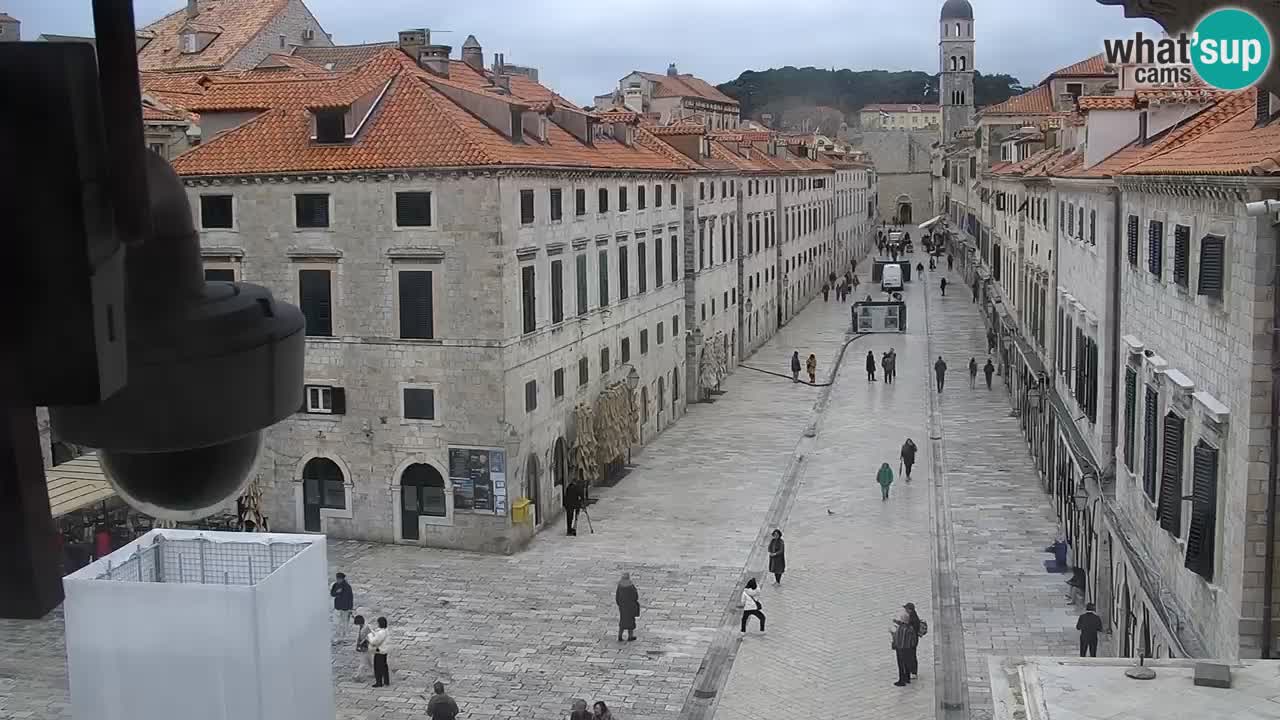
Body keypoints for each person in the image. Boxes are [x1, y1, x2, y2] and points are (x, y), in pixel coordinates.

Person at [891, 607, 918, 686]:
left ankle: (901, 680)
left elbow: (896, 638)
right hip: (908, 649)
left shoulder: (900, 629)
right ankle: (907, 678)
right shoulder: (910, 628)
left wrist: (893, 634)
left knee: (901, 664)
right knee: (907, 664)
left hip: (900, 649)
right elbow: (913, 640)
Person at [904, 602, 928, 678]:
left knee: (912, 655)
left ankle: (914, 672)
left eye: (906, 609)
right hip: (913, 639)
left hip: (912, 640)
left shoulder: (913, 619)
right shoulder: (913, 616)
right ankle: (912, 670)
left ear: (910, 610)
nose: (905, 610)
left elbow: (911, 629)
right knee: (911, 655)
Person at [616, 573, 640, 641]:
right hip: (630, 606)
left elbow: (617, 596)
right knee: (631, 622)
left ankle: (620, 636)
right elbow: (635, 596)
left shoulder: (620, 586)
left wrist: (619, 604)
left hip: (622, 606)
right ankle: (630, 636)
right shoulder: (631, 586)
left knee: (622, 621)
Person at [368, 616, 391, 687]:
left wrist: (369, 636)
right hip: (384, 650)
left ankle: (379, 682)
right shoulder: (385, 630)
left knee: (377, 667)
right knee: (384, 666)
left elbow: (374, 642)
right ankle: (386, 681)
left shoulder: (381, 632)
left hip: (379, 651)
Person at [353, 614, 372, 680]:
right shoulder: (362, 627)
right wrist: (357, 645)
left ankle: (359, 675)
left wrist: (361, 643)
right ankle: (374, 672)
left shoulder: (366, 627)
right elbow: (359, 637)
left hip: (366, 647)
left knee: (363, 662)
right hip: (365, 647)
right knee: (369, 661)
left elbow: (369, 637)